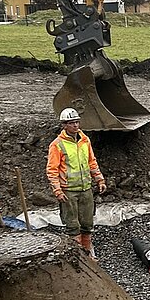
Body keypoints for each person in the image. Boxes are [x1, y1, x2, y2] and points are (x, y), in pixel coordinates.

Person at [46, 108, 106, 257]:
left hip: (85, 188)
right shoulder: (57, 145)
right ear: (64, 125)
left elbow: (91, 162)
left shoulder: (85, 140)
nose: (75, 125)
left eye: (77, 122)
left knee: (87, 223)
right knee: (72, 225)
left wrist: (99, 179)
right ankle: (78, 254)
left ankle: (87, 251)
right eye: (71, 123)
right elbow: (52, 169)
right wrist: (57, 190)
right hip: (69, 191)